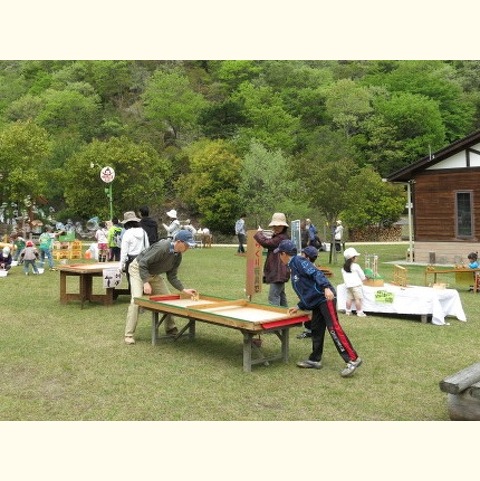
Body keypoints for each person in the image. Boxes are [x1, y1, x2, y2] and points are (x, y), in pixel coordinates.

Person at [276, 239, 363, 377]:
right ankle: (315, 359)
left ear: (284, 254)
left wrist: (326, 287)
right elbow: (307, 289)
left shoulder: (299, 261)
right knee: (316, 329)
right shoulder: (293, 266)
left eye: (279, 254)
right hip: (316, 302)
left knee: (334, 328)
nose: (279, 257)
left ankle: (352, 359)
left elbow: (316, 273)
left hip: (325, 298)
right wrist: (299, 306)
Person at [124, 229, 198, 345]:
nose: (188, 248)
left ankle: (171, 329)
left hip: (153, 274)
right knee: (136, 301)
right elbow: (143, 263)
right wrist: (145, 282)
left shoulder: (177, 256)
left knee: (168, 299)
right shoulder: (162, 247)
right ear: (179, 242)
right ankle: (128, 335)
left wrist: (183, 289)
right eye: (187, 245)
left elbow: (172, 276)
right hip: (137, 270)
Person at [253, 212, 290, 307]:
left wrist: (259, 234)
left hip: (278, 272)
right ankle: (287, 318)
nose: (276, 228)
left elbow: (267, 243)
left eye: (279, 226)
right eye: (274, 226)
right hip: (279, 271)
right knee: (281, 296)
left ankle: (277, 319)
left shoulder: (281, 238)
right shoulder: (280, 237)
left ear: (283, 227)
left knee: (273, 297)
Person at [119, 211, 150, 292]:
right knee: (143, 280)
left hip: (131, 260)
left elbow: (124, 251)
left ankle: (135, 299)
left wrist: (121, 265)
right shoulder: (143, 232)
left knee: (133, 283)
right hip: (143, 259)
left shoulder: (127, 233)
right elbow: (147, 247)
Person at [296, 245, 319, 339]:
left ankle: (310, 331)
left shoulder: (309, 269)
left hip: (310, 296)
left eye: (303, 254)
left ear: (307, 257)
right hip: (309, 296)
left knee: (309, 312)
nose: (301, 255)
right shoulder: (309, 267)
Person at [341, 247, 368, 317]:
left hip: (349, 286)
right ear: (352, 258)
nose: (357, 258)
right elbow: (362, 275)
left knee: (349, 298)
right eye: (356, 257)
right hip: (356, 286)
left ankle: (348, 311)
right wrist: (364, 278)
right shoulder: (356, 266)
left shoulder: (343, 268)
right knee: (358, 299)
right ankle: (359, 312)